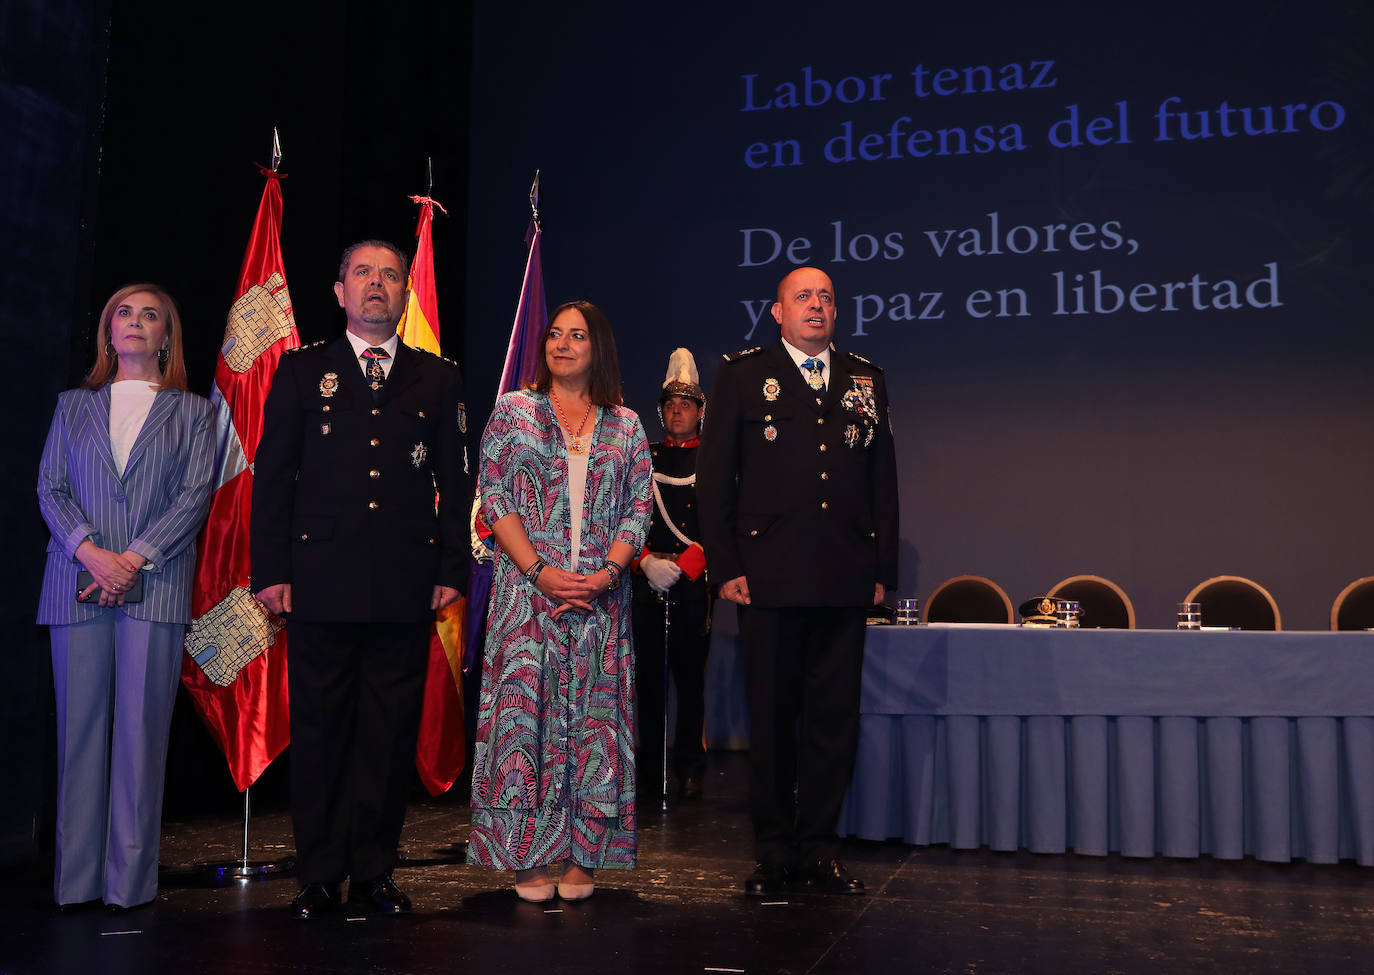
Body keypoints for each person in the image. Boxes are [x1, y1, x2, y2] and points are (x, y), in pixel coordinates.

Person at [250, 240, 470, 919]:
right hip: (318, 579)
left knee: (387, 733)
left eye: (391, 275)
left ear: (405, 292)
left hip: (404, 582)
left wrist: (451, 570)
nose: (377, 284)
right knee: (318, 732)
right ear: (340, 291)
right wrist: (272, 571)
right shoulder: (300, 369)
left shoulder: (437, 378)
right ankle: (319, 874)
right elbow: (273, 478)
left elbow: (456, 485)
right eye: (363, 274)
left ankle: (374, 871)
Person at [696, 265, 899, 897]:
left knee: (831, 723)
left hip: (843, 577)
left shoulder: (866, 378)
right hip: (768, 580)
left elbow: (882, 484)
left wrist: (880, 571)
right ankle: (775, 850)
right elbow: (714, 478)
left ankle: (820, 848)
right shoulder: (742, 374)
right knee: (775, 717)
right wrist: (727, 568)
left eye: (826, 298)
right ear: (778, 312)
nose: (817, 306)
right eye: (802, 297)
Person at [37, 283, 216, 911]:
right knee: (79, 736)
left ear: (167, 335)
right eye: (123, 313)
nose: (135, 323)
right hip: (76, 584)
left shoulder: (194, 412)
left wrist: (133, 560)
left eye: (150, 316)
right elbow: (51, 489)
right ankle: (78, 882)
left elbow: (195, 496)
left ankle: (127, 886)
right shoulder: (71, 406)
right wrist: (92, 554)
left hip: (155, 586)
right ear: (107, 331)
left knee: (142, 739)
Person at [467, 300, 652, 903]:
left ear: (598, 348)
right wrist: (541, 572)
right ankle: (527, 856)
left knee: (594, 728)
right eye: (554, 335)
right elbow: (495, 498)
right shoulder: (514, 413)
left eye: (577, 336)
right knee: (525, 722)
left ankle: (584, 856)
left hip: (600, 603)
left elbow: (638, 509)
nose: (562, 344)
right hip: (528, 601)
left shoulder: (625, 425)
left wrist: (604, 575)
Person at [631, 348, 711, 804]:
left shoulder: (715, 459)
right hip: (647, 578)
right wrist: (643, 560)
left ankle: (689, 765)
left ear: (701, 411)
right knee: (649, 680)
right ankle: (650, 766)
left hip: (692, 582)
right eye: (670, 405)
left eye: (686, 405)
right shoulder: (645, 458)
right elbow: (625, 515)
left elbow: (725, 520)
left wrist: (691, 565)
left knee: (690, 679)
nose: (677, 411)